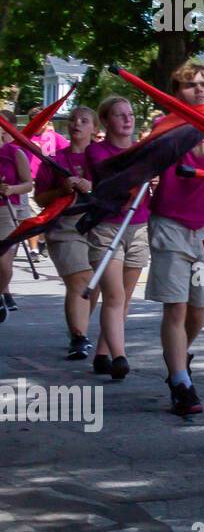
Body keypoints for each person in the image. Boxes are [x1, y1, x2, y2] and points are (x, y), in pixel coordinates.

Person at [147, 61, 204, 417]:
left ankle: (179, 353)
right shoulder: (166, 126)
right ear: (176, 93)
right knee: (177, 306)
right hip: (170, 226)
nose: (199, 89)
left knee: (198, 309)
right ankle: (180, 380)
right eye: (189, 85)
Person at [84, 96, 149, 380]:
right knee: (114, 294)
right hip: (107, 227)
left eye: (130, 114)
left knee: (125, 296)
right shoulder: (97, 152)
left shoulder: (143, 151)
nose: (127, 119)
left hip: (138, 225)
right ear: (107, 121)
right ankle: (120, 356)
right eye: (119, 115)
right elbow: (114, 180)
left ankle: (102, 352)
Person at [32, 106, 99, 360]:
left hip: (96, 224)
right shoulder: (55, 161)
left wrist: (92, 186)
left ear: (95, 128)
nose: (76, 124)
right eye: (73, 119)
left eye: (84, 120)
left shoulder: (101, 158)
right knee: (81, 280)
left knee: (94, 284)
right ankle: (79, 337)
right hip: (64, 227)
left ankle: (79, 327)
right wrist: (61, 190)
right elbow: (40, 198)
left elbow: (117, 189)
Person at [0, 110, 34, 322]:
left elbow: (28, 184)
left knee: (3, 262)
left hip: (5, 211)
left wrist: (11, 189)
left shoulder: (13, 153)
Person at [25, 106, 69, 258]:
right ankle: (34, 249)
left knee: (46, 215)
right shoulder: (25, 137)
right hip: (31, 180)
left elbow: (68, 152)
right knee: (32, 214)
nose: (43, 123)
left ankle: (42, 238)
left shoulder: (54, 137)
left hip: (49, 185)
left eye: (45, 119)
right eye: (38, 120)